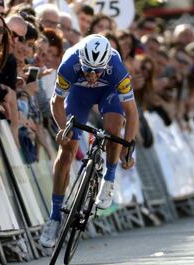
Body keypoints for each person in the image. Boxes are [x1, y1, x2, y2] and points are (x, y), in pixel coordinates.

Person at [39, 34, 139, 248]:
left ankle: (109, 179)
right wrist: (63, 129)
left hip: (108, 92)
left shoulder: (117, 69)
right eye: (87, 70)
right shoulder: (69, 65)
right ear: (81, 63)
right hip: (79, 94)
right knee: (66, 151)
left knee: (113, 129)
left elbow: (132, 113)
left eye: (98, 71)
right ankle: (54, 218)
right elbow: (56, 102)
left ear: (106, 65)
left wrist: (128, 149)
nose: (93, 76)